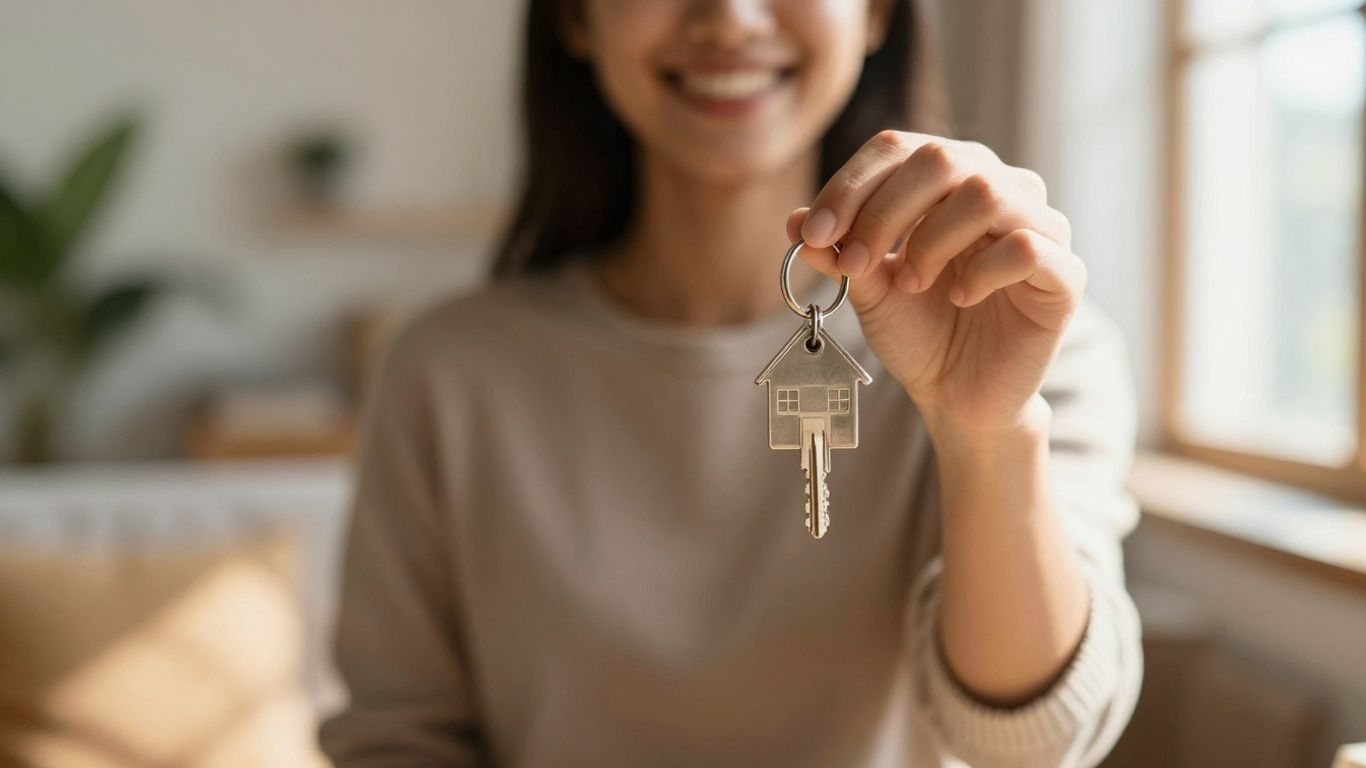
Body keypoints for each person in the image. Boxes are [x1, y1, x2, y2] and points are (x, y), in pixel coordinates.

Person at [318, 0, 1144, 765]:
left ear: (877, 11)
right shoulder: (443, 372)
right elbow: (398, 740)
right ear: (575, 15)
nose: (729, 17)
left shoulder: (1016, 342)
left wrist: (986, 435)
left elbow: (1034, 742)